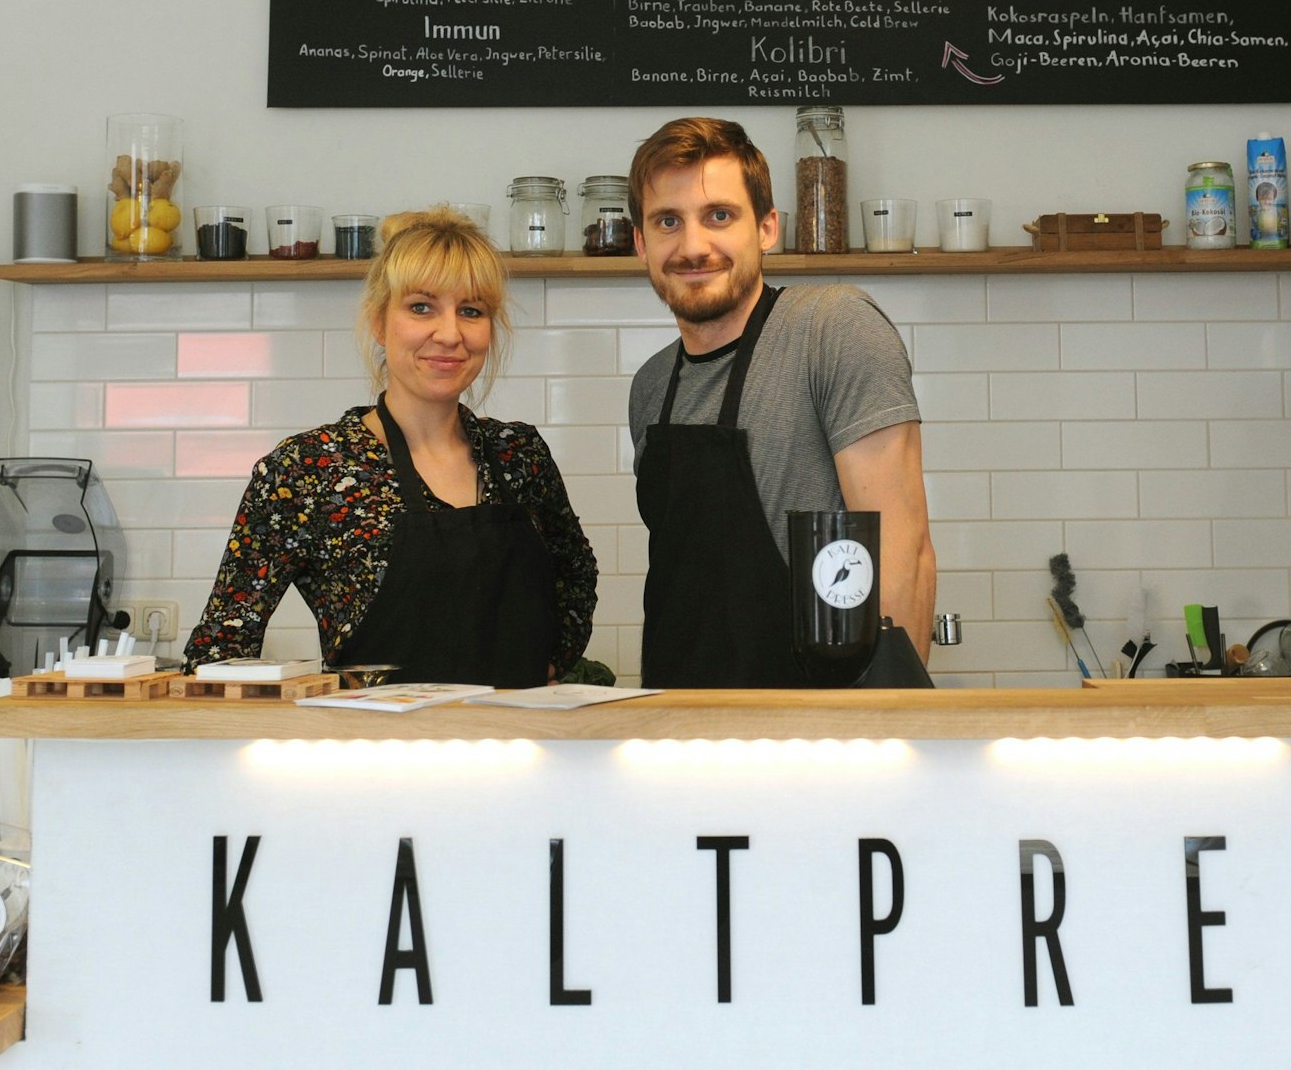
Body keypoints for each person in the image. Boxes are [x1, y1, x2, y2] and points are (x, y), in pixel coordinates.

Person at [183, 207, 598, 687]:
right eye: (421, 307)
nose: (450, 334)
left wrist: (547, 665)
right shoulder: (309, 469)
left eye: (471, 310)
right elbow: (220, 649)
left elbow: (576, 573)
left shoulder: (518, 455)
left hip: (519, 730)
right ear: (380, 322)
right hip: (372, 735)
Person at [626, 117, 936, 687]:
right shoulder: (651, 386)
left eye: (719, 216)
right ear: (641, 242)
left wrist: (885, 723)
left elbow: (904, 552)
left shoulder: (832, 329)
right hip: (678, 719)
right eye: (668, 221)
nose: (693, 247)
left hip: (815, 722)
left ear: (767, 227)